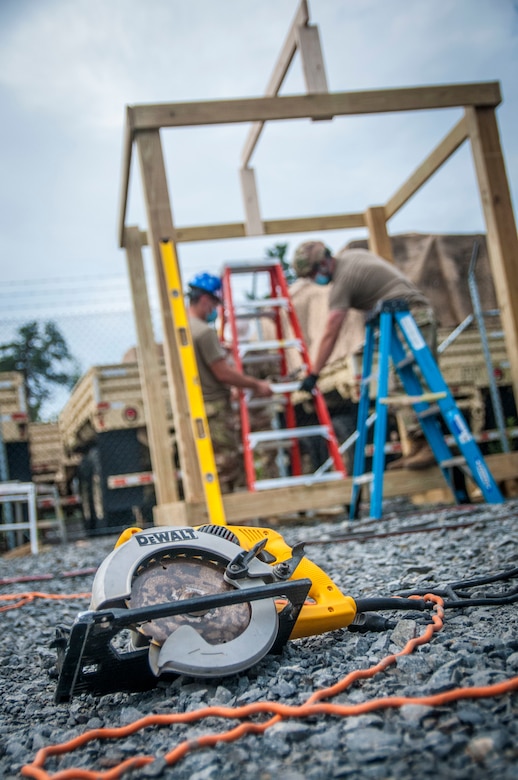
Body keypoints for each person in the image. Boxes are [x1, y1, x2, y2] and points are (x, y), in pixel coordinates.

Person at [293, 241, 438, 470]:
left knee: (412, 382)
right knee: (395, 384)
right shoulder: (353, 257)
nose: (313, 280)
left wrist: (313, 374)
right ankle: (419, 444)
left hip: (410, 317)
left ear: (323, 263)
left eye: (312, 274)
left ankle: (432, 445)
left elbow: (331, 330)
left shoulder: (342, 280)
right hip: (399, 317)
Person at [187, 272, 273, 492]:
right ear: (205, 299)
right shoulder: (205, 332)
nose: (215, 309)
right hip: (216, 409)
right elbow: (223, 373)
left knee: (212, 466)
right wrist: (256, 385)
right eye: (214, 303)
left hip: (198, 407)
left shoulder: (184, 328)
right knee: (228, 467)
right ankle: (230, 523)